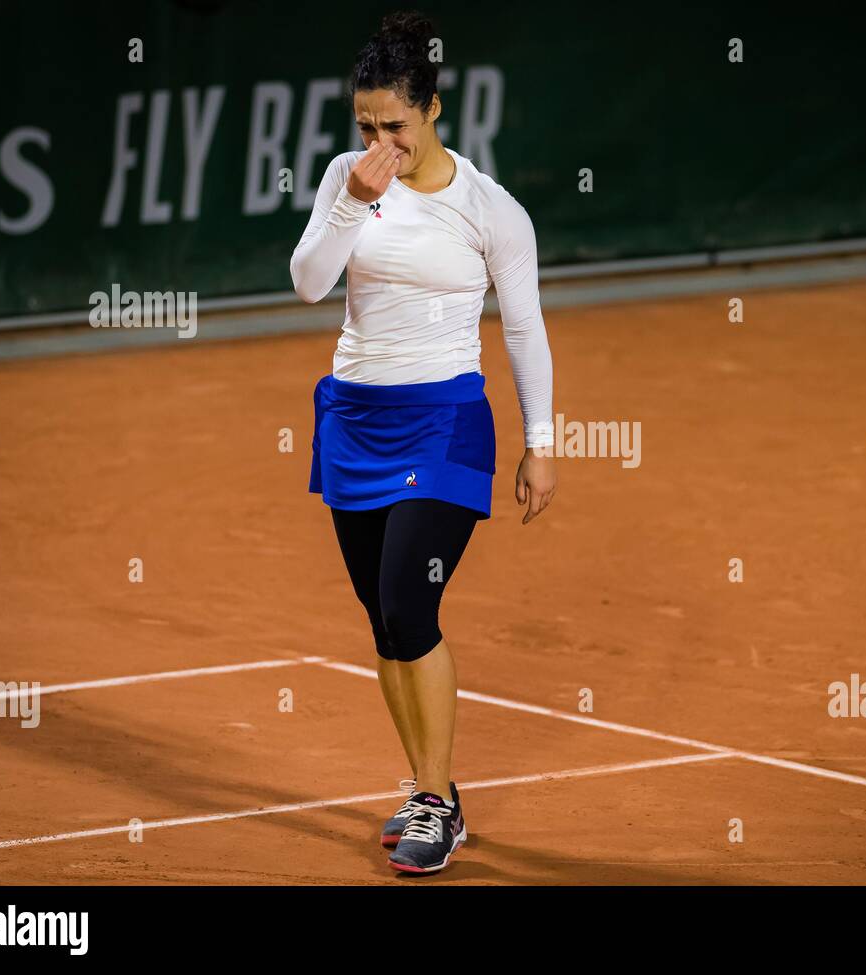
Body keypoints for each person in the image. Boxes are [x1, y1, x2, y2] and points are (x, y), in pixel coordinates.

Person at [290, 9, 557, 875]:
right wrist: (354, 205)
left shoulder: (492, 210)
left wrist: (540, 442)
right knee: (381, 619)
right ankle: (423, 786)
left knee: (411, 605)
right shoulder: (349, 178)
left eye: (394, 126)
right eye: (365, 125)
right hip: (353, 418)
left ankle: (437, 801)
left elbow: (524, 330)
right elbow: (305, 284)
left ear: (433, 110)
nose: (379, 142)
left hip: (445, 423)